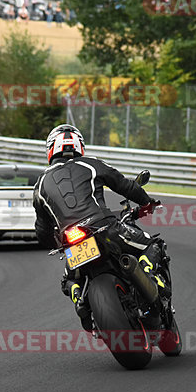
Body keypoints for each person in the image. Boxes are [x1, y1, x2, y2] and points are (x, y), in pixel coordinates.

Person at [33, 124, 165, 330]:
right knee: (154, 245)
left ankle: (79, 298)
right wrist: (147, 202)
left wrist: (57, 242)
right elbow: (125, 186)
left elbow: (42, 230)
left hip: (72, 241)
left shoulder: (40, 184)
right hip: (103, 227)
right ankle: (148, 275)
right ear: (79, 146)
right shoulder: (90, 164)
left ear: (50, 149)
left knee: (69, 279)